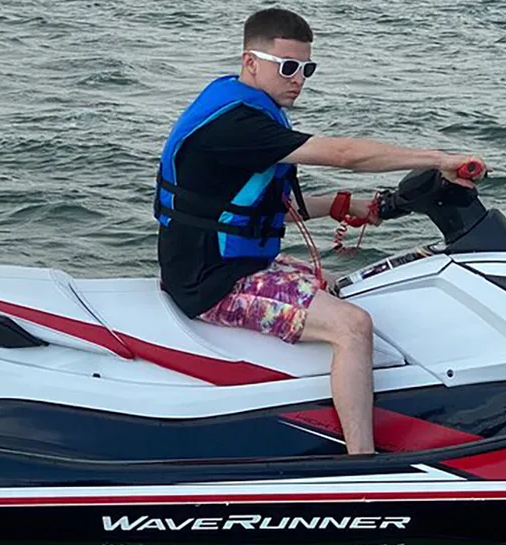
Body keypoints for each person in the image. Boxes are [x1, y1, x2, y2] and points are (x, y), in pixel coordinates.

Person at [154, 7, 487, 455]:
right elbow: (346, 154)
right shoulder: (239, 125)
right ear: (250, 61)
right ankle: (362, 463)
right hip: (211, 281)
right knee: (354, 327)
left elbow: (248, 212)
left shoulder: (239, 104)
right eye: (287, 67)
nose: (299, 79)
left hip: (225, 260)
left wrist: (339, 206)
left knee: (339, 285)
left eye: (306, 68)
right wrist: (439, 159)